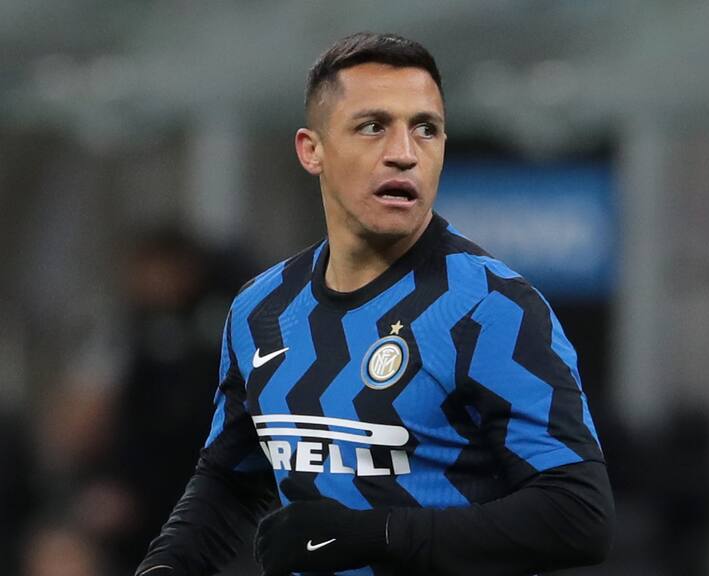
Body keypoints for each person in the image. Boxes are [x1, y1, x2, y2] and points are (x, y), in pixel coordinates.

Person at [135, 32, 614, 576]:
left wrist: (375, 534)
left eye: (425, 129)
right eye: (373, 126)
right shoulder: (260, 309)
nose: (404, 154)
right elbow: (229, 479)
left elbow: (579, 514)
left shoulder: (492, 307)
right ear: (311, 150)